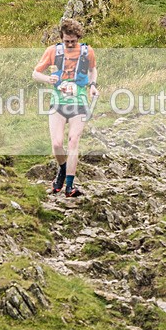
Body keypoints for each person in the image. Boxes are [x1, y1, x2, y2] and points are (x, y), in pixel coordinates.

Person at [32, 18, 98, 197]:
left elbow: (93, 69)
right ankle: (62, 169)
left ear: (78, 37)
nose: (69, 44)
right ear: (61, 38)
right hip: (58, 101)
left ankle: (69, 186)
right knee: (57, 144)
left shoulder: (87, 51)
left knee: (73, 141)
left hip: (79, 101)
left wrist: (93, 85)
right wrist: (48, 79)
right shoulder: (52, 51)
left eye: (73, 41)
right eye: (66, 41)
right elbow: (35, 73)